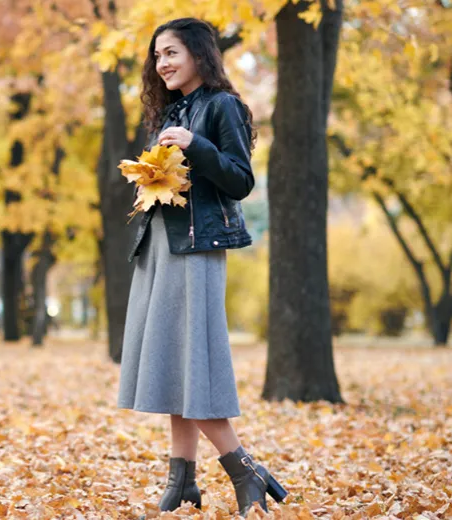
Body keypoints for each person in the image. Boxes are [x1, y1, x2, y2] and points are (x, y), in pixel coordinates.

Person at [116, 18, 288, 517]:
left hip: (196, 249)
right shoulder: (171, 110)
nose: (161, 63)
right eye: (156, 55)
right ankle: (182, 480)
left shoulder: (222, 106)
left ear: (197, 53)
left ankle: (244, 469)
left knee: (195, 363)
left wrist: (197, 146)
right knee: (174, 363)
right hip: (160, 247)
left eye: (170, 52)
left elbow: (239, 181)